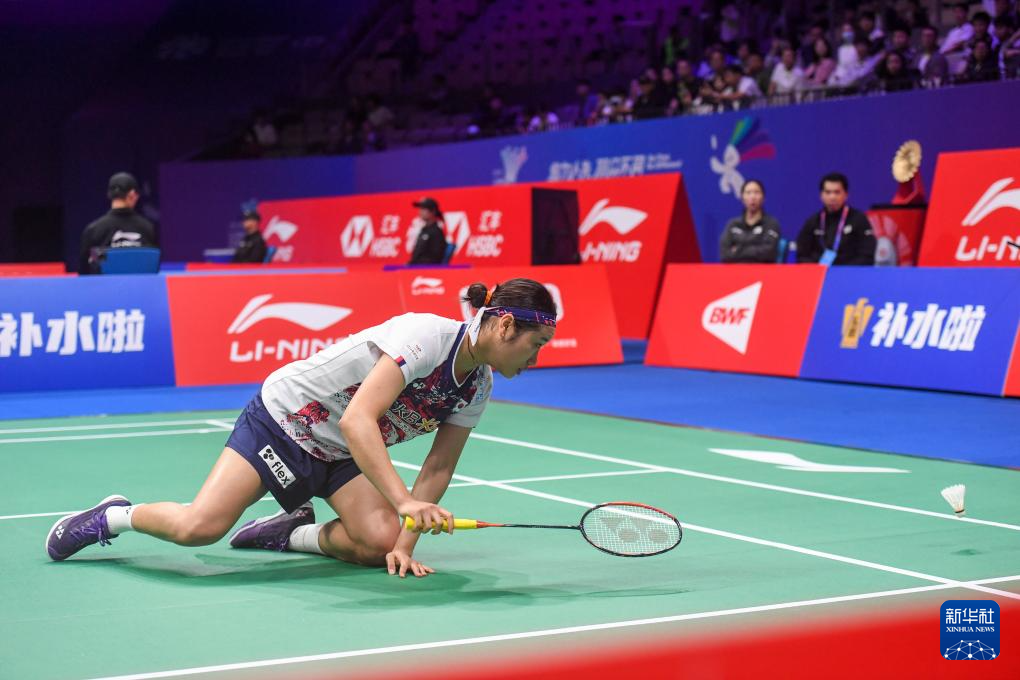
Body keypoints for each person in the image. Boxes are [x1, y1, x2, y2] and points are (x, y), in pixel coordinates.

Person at [46, 280, 558, 579]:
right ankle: (112, 517)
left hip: (341, 451)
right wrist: (404, 502)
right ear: (505, 326)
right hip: (286, 420)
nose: (535, 359)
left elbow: (439, 466)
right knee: (198, 528)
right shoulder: (427, 337)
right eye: (535, 345)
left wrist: (404, 544)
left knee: (378, 545)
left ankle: (289, 532)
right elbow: (358, 419)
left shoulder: (478, 386)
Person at [78, 172, 157, 275]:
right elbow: (153, 268)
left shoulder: (93, 230)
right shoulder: (148, 228)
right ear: (132, 195)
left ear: (109, 195)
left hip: (104, 285)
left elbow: (85, 272)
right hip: (138, 285)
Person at [796, 173, 876, 265]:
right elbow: (802, 255)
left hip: (849, 271)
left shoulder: (859, 220)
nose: (832, 197)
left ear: (846, 195)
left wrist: (843, 270)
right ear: (821, 195)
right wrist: (817, 269)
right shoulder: (813, 222)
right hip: (819, 271)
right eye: (828, 192)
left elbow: (867, 255)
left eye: (837, 192)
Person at [720, 179, 781, 263]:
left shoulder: (771, 224)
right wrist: (756, 248)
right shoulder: (733, 224)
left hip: (762, 270)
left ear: (763, 197)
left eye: (756, 192)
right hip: (736, 269)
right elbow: (725, 253)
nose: (752, 197)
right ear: (742, 198)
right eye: (748, 193)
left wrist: (738, 250)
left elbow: (768, 253)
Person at [408, 197, 449, 265]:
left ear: (433, 211)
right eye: (420, 209)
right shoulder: (424, 230)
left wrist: (416, 264)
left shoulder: (437, 233)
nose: (420, 211)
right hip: (414, 268)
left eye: (423, 209)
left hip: (426, 269)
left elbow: (435, 259)